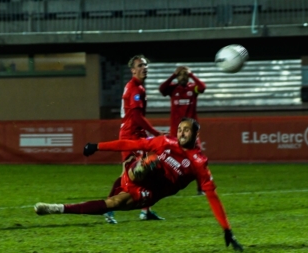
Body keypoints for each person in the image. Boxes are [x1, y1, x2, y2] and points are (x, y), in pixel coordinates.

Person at [34, 118, 244, 252]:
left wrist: (227, 229)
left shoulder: (198, 162)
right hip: (139, 174)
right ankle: (140, 167)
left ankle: (56, 209)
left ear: (196, 135)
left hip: (150, 193)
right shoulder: (165, 142)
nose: (181, 133)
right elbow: (131, 144)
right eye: (179, 129)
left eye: (186, 130)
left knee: (113, 203)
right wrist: (98, 146)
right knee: (149, 161)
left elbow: (212, 196)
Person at [105, 54, 164, 224]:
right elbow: (137, 118)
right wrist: (155, 132)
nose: (143, 68)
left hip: (138, 135)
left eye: (145, 65)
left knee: (149, 170)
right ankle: (108, 209)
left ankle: (145, 211)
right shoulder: (135, 89)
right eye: (139, 65)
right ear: (132, 70)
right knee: (128, 175)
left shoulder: (136, 87)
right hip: (131, 136)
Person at [159, 66, 206, 195]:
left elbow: (202, 87)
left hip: (191, 132)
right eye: (180, 75)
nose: (182, 77)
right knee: (168, 160)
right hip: (176, 133)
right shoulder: (173, 89)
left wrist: (193, 75)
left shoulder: (193, 88)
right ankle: (165, 186)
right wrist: (172, 76)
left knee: (198, 160)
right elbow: (162, 89)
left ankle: (200, 188)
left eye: (185, 75)